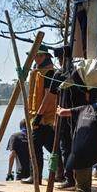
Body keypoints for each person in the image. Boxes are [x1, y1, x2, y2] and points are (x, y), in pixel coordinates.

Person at [21, 46, 57, 184]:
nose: (37, 59)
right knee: (52, 147)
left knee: (36, 147)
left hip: (45, 117)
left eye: (40, 56)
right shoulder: (37, 72)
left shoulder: (49, 73)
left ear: (46, 57)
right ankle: (61, 173)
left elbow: (49, 96)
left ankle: (36, 177)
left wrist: (39, 116)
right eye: (35, 56)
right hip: (39, 116)